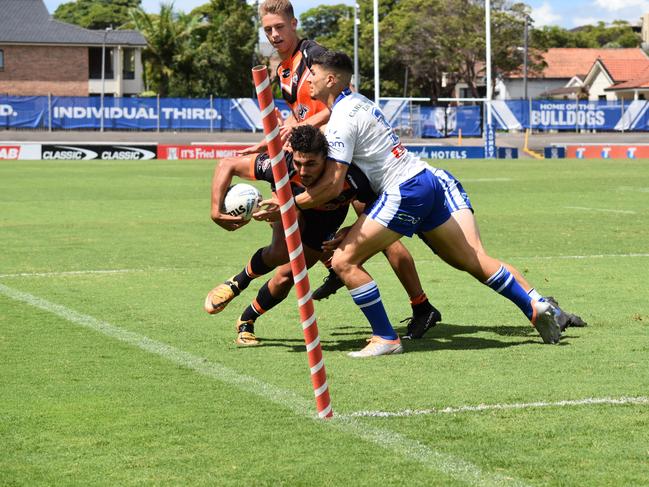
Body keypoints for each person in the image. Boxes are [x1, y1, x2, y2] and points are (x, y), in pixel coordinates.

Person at [288, 50, 584, 357]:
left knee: (343, 261)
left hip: (405, 189)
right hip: (422, 181)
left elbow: (333, 185)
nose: (308, 80)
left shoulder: (341, 120)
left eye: (313, 74)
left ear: (331, 79)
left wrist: (289, 204)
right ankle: (534, 306)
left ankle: (385, 338)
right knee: (471, 260)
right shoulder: (361, 102)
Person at [204, 0, 441, 343]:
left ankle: (421, 305)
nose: (273, 35)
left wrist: (309, 128)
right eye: (268, 29)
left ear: (294, 24)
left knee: (384, 234)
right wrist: (270, 141)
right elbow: (296, 119)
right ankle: (329, 264)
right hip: (311, 161)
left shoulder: (313, 56)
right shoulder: (283, 70)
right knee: (288, 254)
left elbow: (343, 97)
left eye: (279, 28)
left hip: (342, 159)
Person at [208, 125, 385, 345]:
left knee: (287, 276)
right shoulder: (281, 164)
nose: (303, 171)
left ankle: (247, 319)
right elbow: (227, 164)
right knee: (280, 253)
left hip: (323, 223)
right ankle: (237, 283)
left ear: (326, 158)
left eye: (311, 164)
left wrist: (351, 230)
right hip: (288, 209)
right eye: (299, 163)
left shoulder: (350, 176)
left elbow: (379, 206)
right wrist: (216, 212)